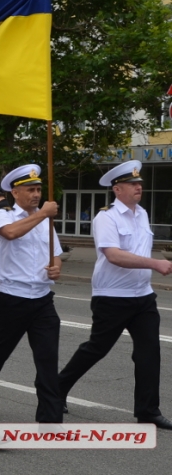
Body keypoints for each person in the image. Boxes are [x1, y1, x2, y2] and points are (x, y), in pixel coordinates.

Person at [58, 160, 172, 430]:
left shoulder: (142, 214)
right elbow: (114, 255)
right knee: (97, 348)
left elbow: (139, 249)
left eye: (140, 184)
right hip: (112, 296)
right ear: (117, 189)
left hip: (142, 296)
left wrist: (151, 266)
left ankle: (148, 410)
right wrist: (156, 264)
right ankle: (57, 388)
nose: (139, 187)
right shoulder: (106, 217)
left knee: (149, 353)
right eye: (133, 184)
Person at [0, 164, 63, 423]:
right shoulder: (3, 215)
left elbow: (56, 252)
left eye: (39, 189)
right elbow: (10, 233)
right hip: (13, 298)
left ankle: (50, 418)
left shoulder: (43, 217)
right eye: (31, 189)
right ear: (15, 193)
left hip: (42, 299)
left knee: (47, 358)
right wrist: (43, 215)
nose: (36, 194)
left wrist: (55, 269)